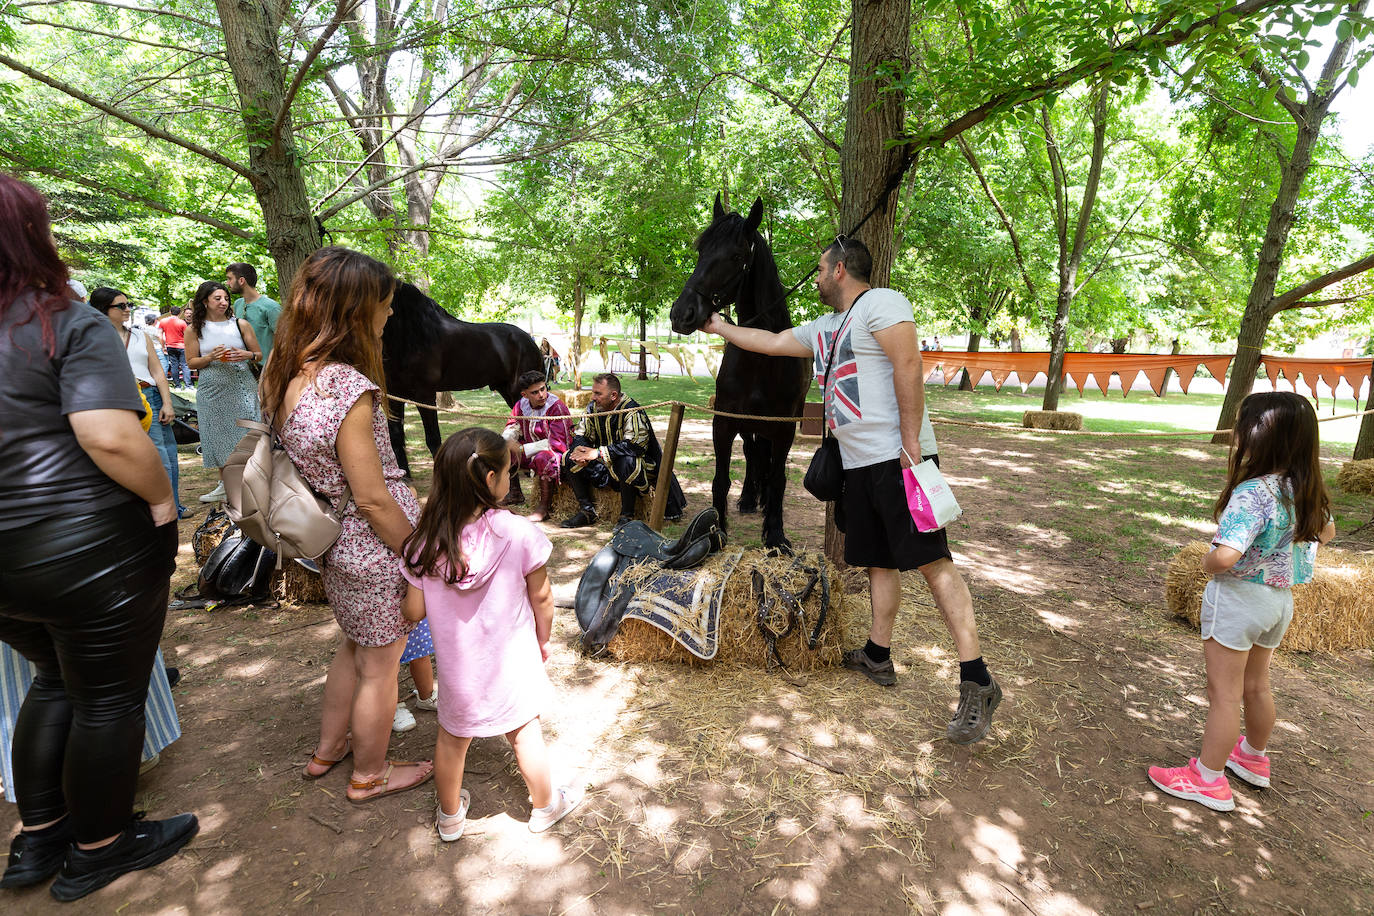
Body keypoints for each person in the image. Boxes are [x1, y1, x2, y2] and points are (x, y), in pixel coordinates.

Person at [700, 237, 1002, 744]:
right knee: (878, 562)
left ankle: (977, 679)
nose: (815, 277)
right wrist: (718, 326)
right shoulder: (826, 328)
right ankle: (877, 655)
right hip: (859, 466)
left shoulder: (881, 303)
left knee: (933, 562)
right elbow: (770, 342)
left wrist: (910, 444)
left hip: (898, 459)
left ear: (840, 269)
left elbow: (908, 366)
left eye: (819, 268)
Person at [0, 174, 197, 901]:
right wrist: (160, 505)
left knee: (53, 680)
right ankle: (101, 845)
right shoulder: (63, 321)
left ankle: (40, 838)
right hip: (83, 547)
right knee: (107, 697)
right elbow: (109, 435)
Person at [258, 246, 433, 803]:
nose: (389, 316)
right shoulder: (347, 388)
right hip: (374, 546)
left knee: (354, 649)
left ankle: (327, 749)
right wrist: (420, 554)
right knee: (382, 667)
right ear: (355, 311)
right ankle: (370, 773)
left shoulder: (287, 375)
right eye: (384, 306)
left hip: (335, 543)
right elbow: (375, 499)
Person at [1148, 392, 1334, 812]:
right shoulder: (1308, 489)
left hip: (1239, 602)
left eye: (1243, 425)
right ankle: (1252, 757)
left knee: (1225, 695)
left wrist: (1207, 559)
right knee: (1257, 685)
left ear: (1261, 436)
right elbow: (1328, 535)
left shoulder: (1254, 492)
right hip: (1279, 603)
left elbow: (1227, 556)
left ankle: (1207, 779)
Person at [400, 428, 583, 840]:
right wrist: (543, 639)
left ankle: (450, 818)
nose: (508, 479)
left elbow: (412, 610)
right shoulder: (518, 533)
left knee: (451, 740)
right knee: (524, 732)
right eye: (507, 472)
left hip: (458, 672)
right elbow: (543, 598)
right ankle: (545, 807)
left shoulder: (424, 541)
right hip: (512, 662)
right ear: (490, 481)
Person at [91, 287, 191, 520]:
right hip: (124, 401)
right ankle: (160, 509)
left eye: (129, 305)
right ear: (104, 309)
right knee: (153, 458)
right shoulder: (95, 339)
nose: (127, 310)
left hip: (152, 397)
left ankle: (173, 506)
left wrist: (168, 403)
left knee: (169, 454)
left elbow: (157, 371)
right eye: (121, 306)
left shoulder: (139, 335)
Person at [561, 373, 686, 527]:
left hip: (637, 464)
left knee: (626, 461)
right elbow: (581, 433)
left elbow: (635, 446)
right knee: (568, 457)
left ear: (613, 395)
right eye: (593, 392)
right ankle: (587, 511)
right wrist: (580, 451)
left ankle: (627, 516)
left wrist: (598, 453)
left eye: (598, 393)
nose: (593, 397)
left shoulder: (631, 410)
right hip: (604, 461)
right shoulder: (593, 407)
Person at [185, 281, 261, 503]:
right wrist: (210, 357)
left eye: (225, 298)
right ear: (204, 301)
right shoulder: (194, 329)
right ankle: (225, 483)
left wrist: (245, 355)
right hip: (212, 385)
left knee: (247, 432)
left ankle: (253, 479)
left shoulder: (240, 324)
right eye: (217, 298)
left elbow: (258, 353)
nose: (223, 302)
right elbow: (191, 362)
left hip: (241, 382)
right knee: (216, 433)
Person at [502, 370, 573, 522]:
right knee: (504, 451)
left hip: (554, 452)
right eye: (535, 392)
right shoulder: (521, 405)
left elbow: (557, 441)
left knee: (543, 458)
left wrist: (522, 449)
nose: (541, 395)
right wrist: (507, 440)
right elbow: (513, 425)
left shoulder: (556, 407)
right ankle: (514, 492)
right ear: (524, 395)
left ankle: (544, 508)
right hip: (530, 449)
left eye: (543, 388)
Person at [226, 262, 281, 365]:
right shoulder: (238, 304)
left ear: (241, 280)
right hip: (244, 370)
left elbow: (284, 342)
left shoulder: (271, 307)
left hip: (266, 370)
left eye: (230, 279)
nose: (227, 283)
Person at [158, 306, 190, 388]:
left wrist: (163, 346)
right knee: (184, 365)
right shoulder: (182, 323)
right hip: (182, 346)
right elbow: (187, 335)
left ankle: (177, 385)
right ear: (180, 313)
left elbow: (160, 335)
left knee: (174, 365)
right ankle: (188, 385)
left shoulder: (163, 321)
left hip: (170, 346)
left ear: (170, 312)